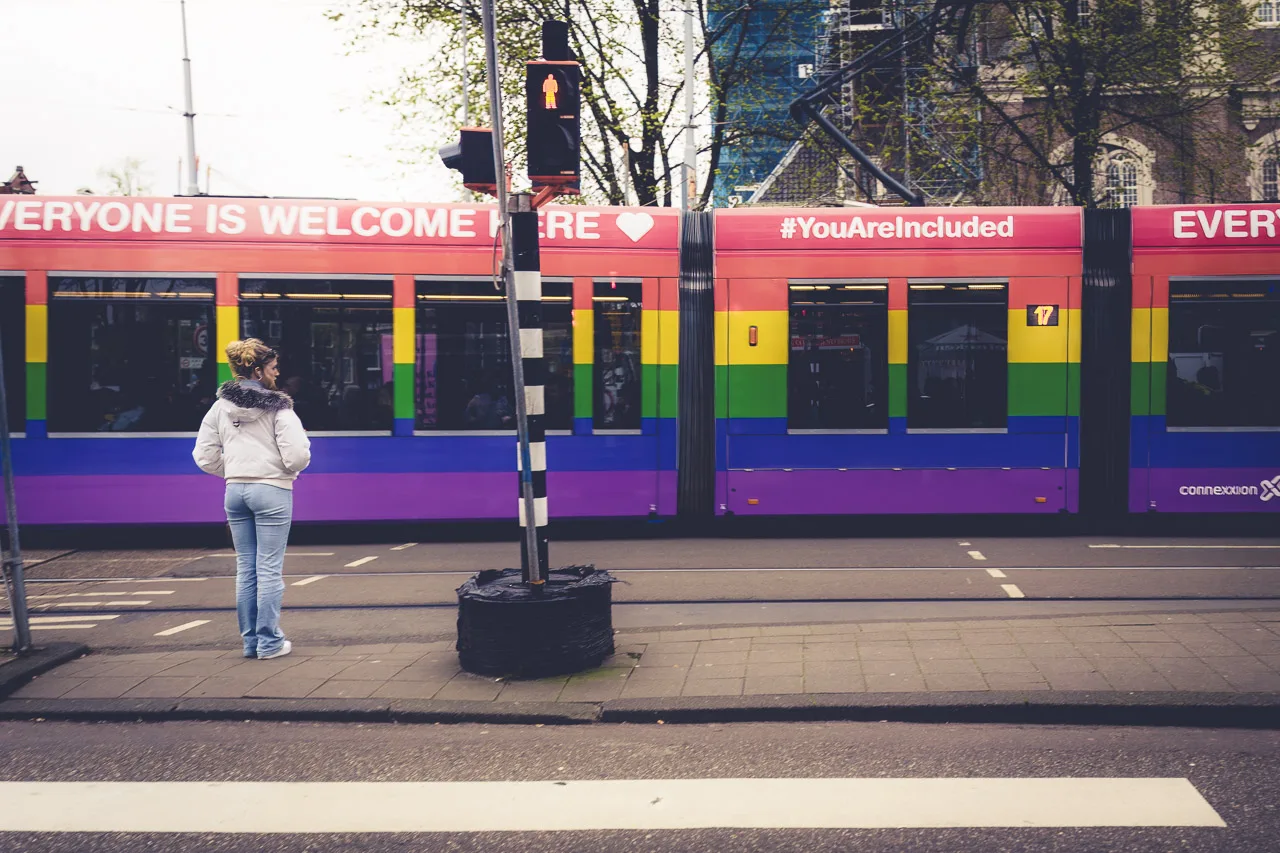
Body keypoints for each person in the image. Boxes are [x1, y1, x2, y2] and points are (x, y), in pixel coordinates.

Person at [193, 339, 311, 660]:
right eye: (273, 368)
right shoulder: (279, 408)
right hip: (271, 490)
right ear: (258, 372)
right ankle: (270, 643)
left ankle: (250, 643)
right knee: (269, 568)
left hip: (235, 492)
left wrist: (233, 471)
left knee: (246, 568)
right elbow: (297, 455)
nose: (278, 373)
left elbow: (203, 456)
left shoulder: (219, 407)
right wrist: (282, 470)